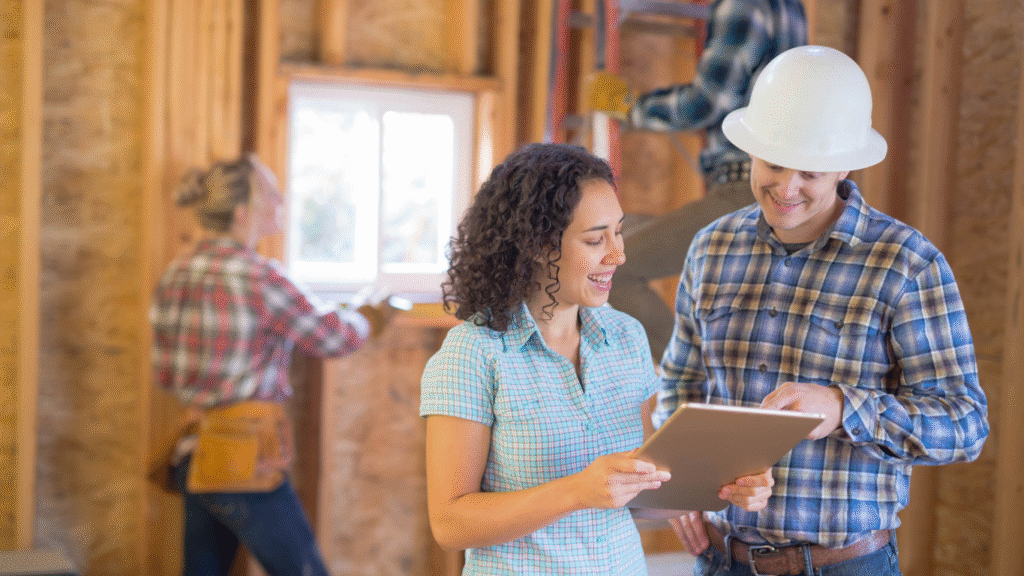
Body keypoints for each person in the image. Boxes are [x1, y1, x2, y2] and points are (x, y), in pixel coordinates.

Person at [656, 45, 990, 576]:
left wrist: (842, 408)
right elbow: (683, 380)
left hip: (845, 565)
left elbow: (965, 424)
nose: (786, 188)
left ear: (844, 165)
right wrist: (683, 483)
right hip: (722, 561)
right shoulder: (712, 248)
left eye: (810, 173)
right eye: (772, 165)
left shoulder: (905, 264)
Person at [419, 142, 774, 575]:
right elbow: (450, 524)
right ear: (536, 245)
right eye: (594, 239)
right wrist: (576, 491)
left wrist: (721, 486)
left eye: (619, 232)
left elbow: (643, 499)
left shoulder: (626, 337)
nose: (618, 255)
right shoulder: (473, 353)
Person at [149, 153, 398, 576]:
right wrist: (369, 315)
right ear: (243, 214)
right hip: (246, 457)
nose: (280, 200)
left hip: (198, 449)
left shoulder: (176, 274)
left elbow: (166, 376)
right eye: (270, 193)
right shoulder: (260, 277)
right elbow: (332, 337)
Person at [600, 0, 808, 359]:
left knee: (614, 268)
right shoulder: (789, 6)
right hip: (768, 189)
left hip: (748, 188)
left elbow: (708, 101)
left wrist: (630, 107)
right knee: (624, 242)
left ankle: (687, 386)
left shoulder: (743, 4)